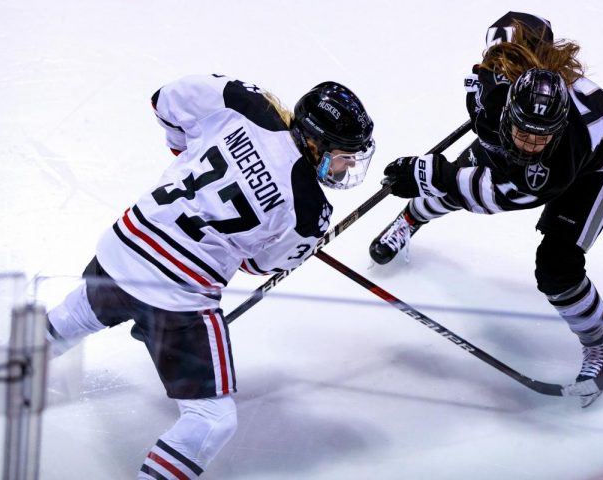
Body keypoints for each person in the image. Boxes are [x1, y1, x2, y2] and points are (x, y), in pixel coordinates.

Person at [46, 74, 375, 478]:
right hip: (177, 296)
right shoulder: (310, 212)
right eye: (346, 155)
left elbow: (164, 100)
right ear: (316, 143)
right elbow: (257, 266)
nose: (349, 166)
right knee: (212, 420)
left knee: (79, 314)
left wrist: (188, 155)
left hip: (123, 244)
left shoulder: (245, 104)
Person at [369, 12, 603, 407]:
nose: (528, 144)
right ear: (508, 112)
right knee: (454, 178)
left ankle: (601, 344)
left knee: (557, 268)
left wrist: (425, 173)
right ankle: (411, 218)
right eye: (523, 132)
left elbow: (488, 193)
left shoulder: (551, 164)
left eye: (539, 138)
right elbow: (519, 24)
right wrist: (501, 53)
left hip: (594, 170)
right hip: (525, 138)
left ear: (556, 131)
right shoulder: (497, 97)